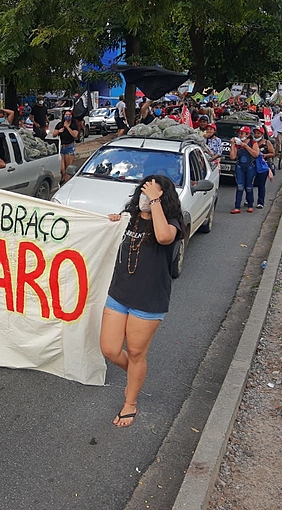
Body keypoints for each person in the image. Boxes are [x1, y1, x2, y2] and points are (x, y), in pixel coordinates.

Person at [101, 176, 184, 427]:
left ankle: (131, 403)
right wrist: (113, 221)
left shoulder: (172, 223)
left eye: (151, 195)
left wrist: (156, 202)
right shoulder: (131, 218)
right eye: (143, 194)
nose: (145, 200)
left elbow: (164, 238)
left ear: (162, 198)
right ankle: (137, 375)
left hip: (148, 301)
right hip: (119, 294)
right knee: (110, 349)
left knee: (137, 352)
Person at [230, 125, 260, 213]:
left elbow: (256, 154)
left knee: (249, 186)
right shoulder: (237, 144)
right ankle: (237, 206)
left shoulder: (253, 143)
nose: (240, 135)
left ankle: (250, 204)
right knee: (240, 186)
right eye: (239, 133)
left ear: (247, 134)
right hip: (240, 166)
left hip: (250, 166)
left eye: (242, 133)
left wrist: (246, 147)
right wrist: (232, 145)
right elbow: (232, 157)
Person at [251, 126, 275, 209]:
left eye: (258, 133)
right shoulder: (252, 142)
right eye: (255, 133)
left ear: (262, 134)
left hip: (263, 167)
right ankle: (249, 200)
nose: (256, 135)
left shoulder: (267, 142)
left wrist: (264, 155)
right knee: (250, 183)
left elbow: (273, 153)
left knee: (261, 185)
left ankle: (260, 202)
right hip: (252, 165)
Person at [53, 109, 80, 183]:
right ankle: (63, 178)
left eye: (69, 115)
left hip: (69, 147)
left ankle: (66, 182)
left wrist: (67, 127)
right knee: (62, 169)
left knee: (68, 168)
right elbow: (54, 134)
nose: (67, 116)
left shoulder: (73, 125)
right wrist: (59, 131)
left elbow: (75, 135)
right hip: (62, 147)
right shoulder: (60, 124)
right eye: (66, 115)